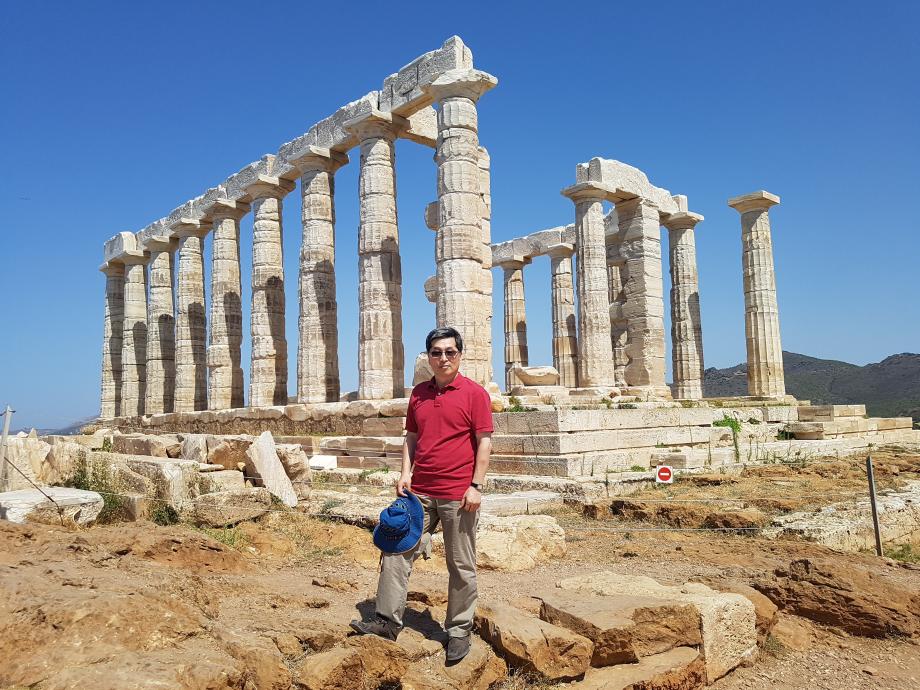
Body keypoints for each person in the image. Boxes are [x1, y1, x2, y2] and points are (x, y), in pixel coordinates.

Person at [350, 326, 493, 663]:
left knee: (461, 564)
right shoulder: (419, 394)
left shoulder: (475, 394)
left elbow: (484, 441)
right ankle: (386, 621)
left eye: (450, 352)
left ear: (460, 355)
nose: (443, 358)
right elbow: (411, 437)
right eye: (436, 352)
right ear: (428, 356)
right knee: (395, 548)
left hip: (458, 493)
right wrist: (405, 474)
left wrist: (476, 486)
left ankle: (458, 631)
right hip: (420, 492)